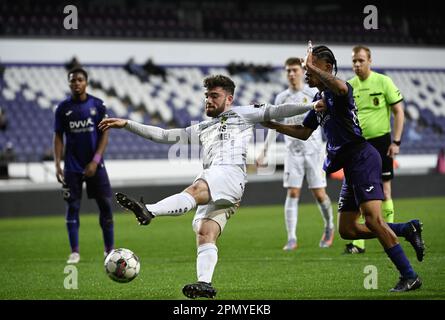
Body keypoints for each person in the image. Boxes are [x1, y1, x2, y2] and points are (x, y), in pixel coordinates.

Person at [98, 74, 324, 299]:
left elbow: (277, 110)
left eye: (214, 96)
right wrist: (127, 124)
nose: (208, 100)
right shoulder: (203, 127)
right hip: (223, 186)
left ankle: (150, 210)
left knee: (196, 189)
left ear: (229, 99)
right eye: (206, 96)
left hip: (229, 173)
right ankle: (204, 283)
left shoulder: (243, 114)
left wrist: (313, 105)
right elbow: (165, 135)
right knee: (205, 233)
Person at [261, 42, 424, 292]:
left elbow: (338, 84)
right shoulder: (318, 99)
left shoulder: (341, 89)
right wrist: (274, 125)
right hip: (350, 164)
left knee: (374, 220)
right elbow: (304, 131)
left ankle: (409, 276)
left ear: (327, 67)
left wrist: (314, 67)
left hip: (362, 158)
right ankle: (405, 228)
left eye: (310, 67)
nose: (306, 72)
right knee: (347, 230)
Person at [256, 57, 334, 251]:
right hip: (293, 152)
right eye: (288, 71)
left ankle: (329, 227)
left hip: (314, 150)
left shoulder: (313, 93)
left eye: (294, 70)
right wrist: (264, 151)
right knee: (292, 192)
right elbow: (274, 127)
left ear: (302, 71)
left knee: (319, 194)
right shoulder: (281, 98)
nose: (291, 74)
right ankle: (291, 238)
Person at [344, 45, 405, 254]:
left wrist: (395, 142)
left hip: (381, 143)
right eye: (354, 61)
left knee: (385, 191)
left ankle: (388, 237)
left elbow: (399, 112)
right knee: (360, 194)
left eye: (361, 60)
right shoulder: (349, 87)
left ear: (370, 61)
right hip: (358, 146)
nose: (357, 64)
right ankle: (358, 244)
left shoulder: (383, 81)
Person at [53, 67, 114, 264]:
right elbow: (58, 137)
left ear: (86, 82)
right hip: (72, 166)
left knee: (105, 205)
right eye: (73, 80)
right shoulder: (63, 109)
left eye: (79, 80)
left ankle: (109, 251)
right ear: (69, 83)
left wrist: (95, 161)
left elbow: (105, 133)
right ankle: (75, 252)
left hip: (96, 165)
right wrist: (57, 164)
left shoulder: (98, 105)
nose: (76, 83)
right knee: (73, 207)